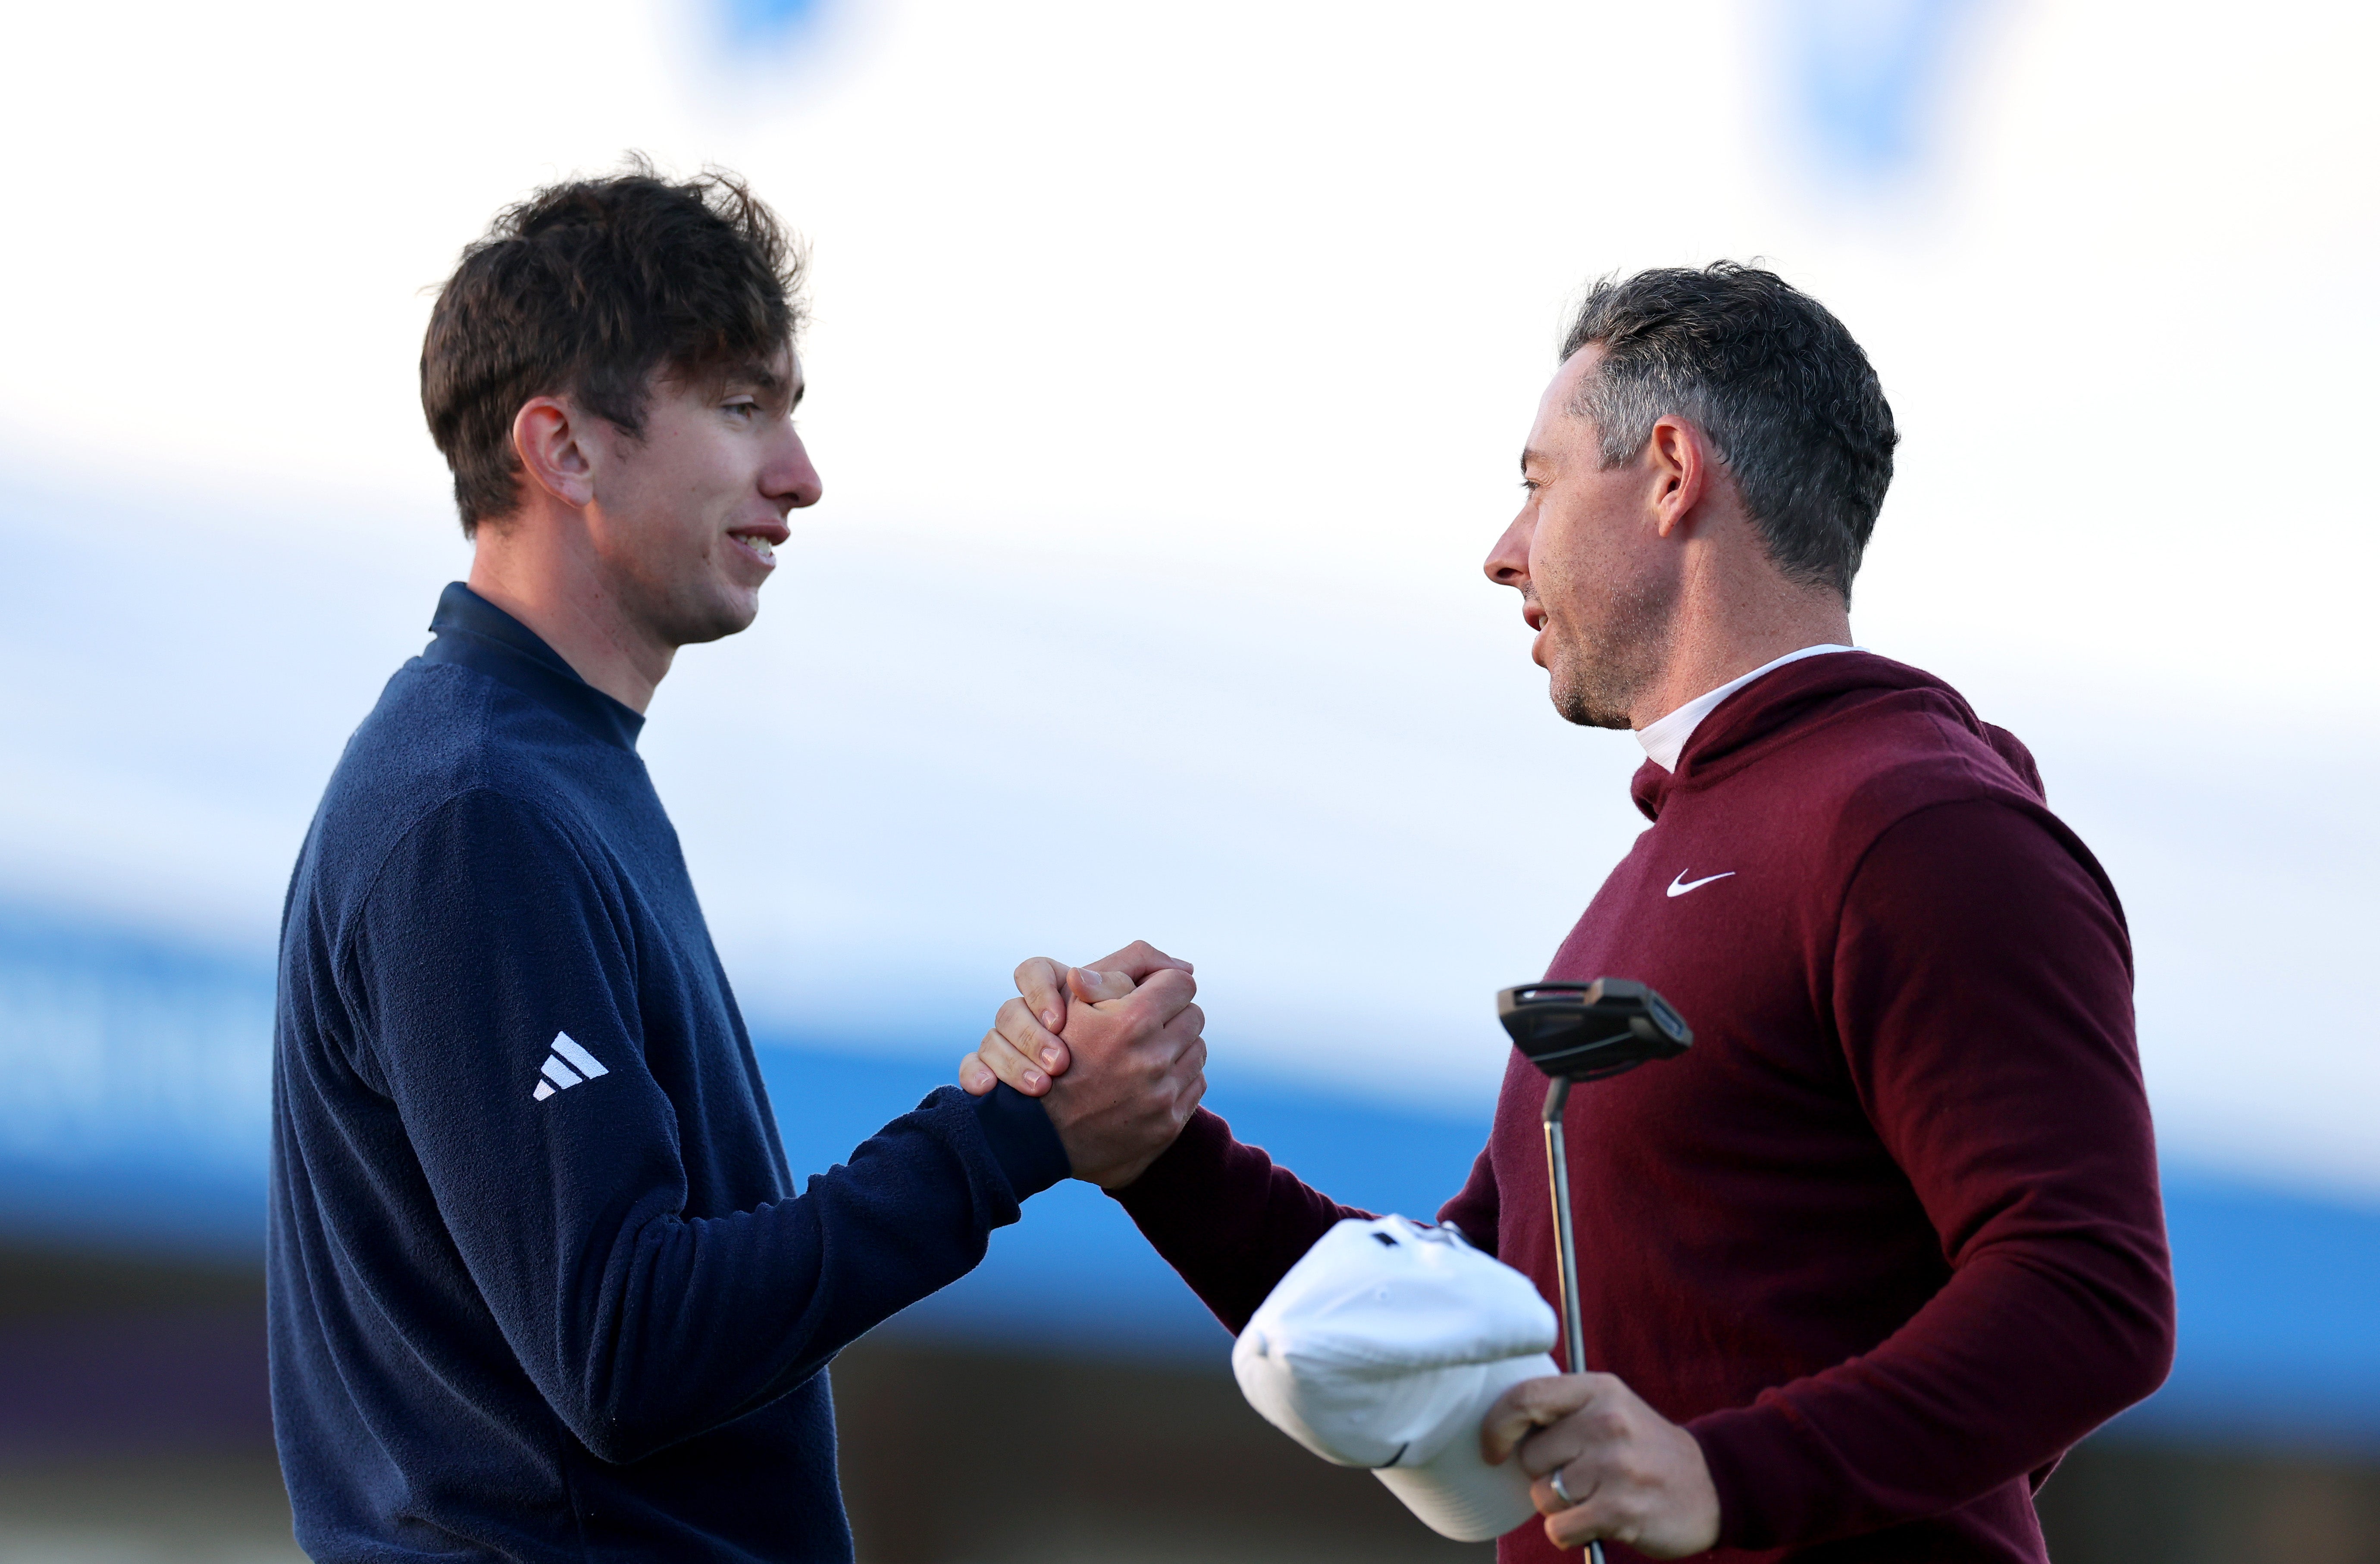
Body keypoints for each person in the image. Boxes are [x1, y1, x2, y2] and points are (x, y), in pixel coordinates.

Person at [964, 264, 2176, 1562]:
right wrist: (1152, 1148)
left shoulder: (1917, 827)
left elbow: (2090, 1289)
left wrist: (1725, 1473)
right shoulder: (1684, 853)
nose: (1501, 550)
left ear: (1669, 473)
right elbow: (1448, 1325)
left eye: (1537, 482)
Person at [266, 162, 1206, 1563]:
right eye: (741, 405)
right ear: (565, 451)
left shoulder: (540, 769)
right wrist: (1013, 1135)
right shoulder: (478, 806)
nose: (801, 475)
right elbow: (626, 1346)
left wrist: (1018, 1101)